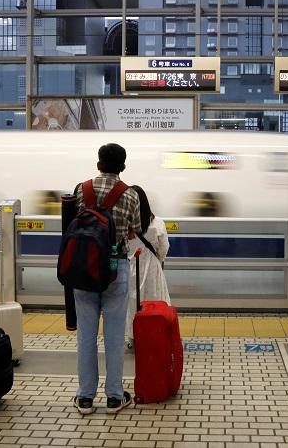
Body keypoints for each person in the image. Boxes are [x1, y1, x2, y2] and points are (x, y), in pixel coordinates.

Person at [72, 143, 141, 415]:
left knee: (85, 337)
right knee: (113, 337)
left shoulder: (82, 189)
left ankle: (85, 397)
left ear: (98, 163)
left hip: (84, 270)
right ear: (123, 167)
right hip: (116, 269)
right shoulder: (131, 195)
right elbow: (133, 231)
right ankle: (114, 397)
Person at [125, 185, 171, 349]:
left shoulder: (125, 225)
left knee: (133, 304)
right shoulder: (157, 223)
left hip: (130, 269)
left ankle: (134, 337)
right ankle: (156, 334)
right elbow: (163, 249)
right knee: (155, 301)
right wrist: (157, 260)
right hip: (152, 269)